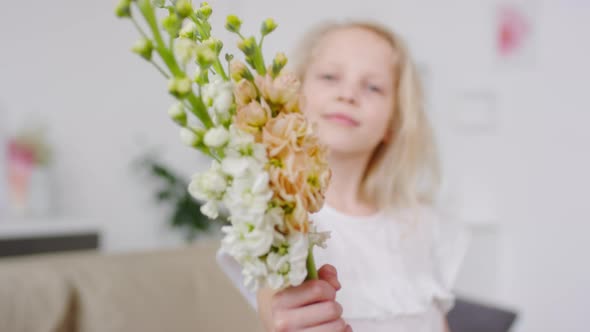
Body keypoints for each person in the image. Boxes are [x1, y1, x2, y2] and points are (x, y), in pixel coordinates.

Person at [217, 20, 469, 332]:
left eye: (373, 87)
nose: (348, 94)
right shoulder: (276, 220)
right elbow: (278, 313)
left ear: (393, 122)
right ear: (292, 97)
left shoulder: (424, 225)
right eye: (330, 77)